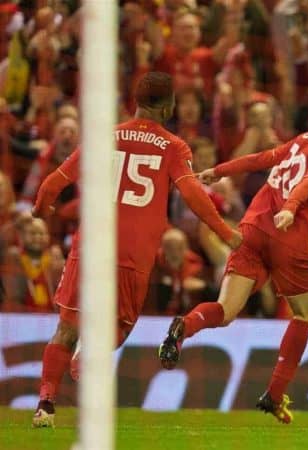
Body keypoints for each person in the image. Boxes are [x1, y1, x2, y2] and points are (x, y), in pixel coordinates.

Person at [31, 71, 242, 428]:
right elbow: (193, 195)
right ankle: (88, 357)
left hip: (90, 248)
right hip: (132, 256)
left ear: (136, 102)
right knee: (120, 329)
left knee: (67, 326)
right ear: (168, 106)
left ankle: (45, 405)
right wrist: (226, 232)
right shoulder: (173, 146)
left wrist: (40, 210)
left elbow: (54, 183)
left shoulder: (104, 136)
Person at [159, 93, 308, 423]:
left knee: (226, 309)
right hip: (289, 237)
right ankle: (274, 395)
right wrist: (289, 210)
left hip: (253, 227)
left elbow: (263, 158)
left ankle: (184, 327)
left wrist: (219, 171)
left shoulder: (306, 138)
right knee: (305, 312)